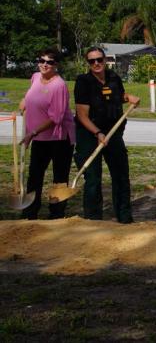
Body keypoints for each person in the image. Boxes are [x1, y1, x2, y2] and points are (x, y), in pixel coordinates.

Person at [73, 46, 140, 223]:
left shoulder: (113, 77)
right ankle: (93, 220)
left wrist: (129, 97)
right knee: (93, 179)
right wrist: (98, 133)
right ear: (88, 63)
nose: (96, 63)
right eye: (92, 61)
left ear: (105, 60)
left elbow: (118, 96)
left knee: (121, 175)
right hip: (89, 134)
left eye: (99, 60)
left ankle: (124, 217)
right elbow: (81, 115)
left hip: (113, 133)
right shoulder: (83, 82)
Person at [20, 47, 74, 220]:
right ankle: (30, 213)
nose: (44, 65)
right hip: (39, 137)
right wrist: (24, 101)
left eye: (49, 62)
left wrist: (32, 132)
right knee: (34, 175)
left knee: (59, 177)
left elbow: (56, 118)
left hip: (59, 138)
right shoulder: (35, 77)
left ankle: (56, 214)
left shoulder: (59, 86)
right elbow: (32, 96)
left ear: (56, 65)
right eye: (41, 61)